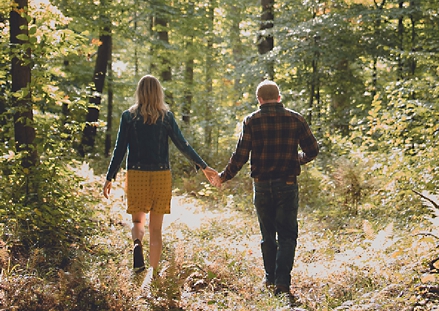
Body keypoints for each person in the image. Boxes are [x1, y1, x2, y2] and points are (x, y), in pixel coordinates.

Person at [211, 80, 319, 298]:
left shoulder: (251, 121)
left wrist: (224, 177)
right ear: (279, 97)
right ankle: (282, 283)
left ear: (259, 99)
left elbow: (240, 155)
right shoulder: (296, 119)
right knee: (287, 235)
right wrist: (297, 159)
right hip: (287, 184)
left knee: (268, 235)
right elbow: (313, 150)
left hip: (261, 185)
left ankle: (270, 280)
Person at [103, 74, 220, 275]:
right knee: (156, 230)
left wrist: (109, 176)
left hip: (137, 175)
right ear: (159, 93)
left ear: (139, 93)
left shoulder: (128, 117)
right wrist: (203, 166)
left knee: (137, 222)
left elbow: (119, 149)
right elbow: (183, 145)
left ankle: (137, 243)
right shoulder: (166, 117)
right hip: (161, 176)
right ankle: (152, 274)